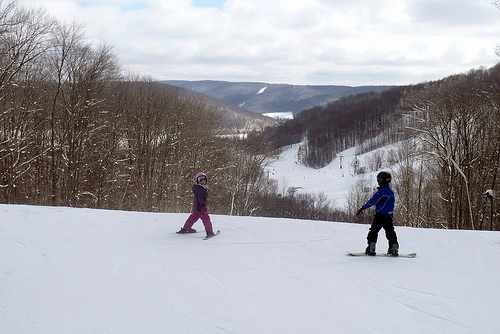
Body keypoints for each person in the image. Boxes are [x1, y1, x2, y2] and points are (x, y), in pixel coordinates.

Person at [357, 171, 399, 256]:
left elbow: (373, 201)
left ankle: (371, 247)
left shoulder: (382, 192)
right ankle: (393, 248)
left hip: (380, 215)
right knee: (390, 231)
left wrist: (363, 208)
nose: (378, 181)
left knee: (373, 231)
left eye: (380, 180)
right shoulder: (390, 191)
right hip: (388, 216)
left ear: (385, 180)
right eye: (378, 179)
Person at [177, 172, 215, 238]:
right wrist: (203, 204)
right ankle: (209, 232)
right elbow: (200, 197)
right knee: (206, 219)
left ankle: (186, 228)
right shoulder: (201, 189)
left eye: (204, 180)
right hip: (201, 208)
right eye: (201, 180)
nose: (203, 182)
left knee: (192, 218)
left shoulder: (198, 188)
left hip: (196, 208)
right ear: (198, 181)